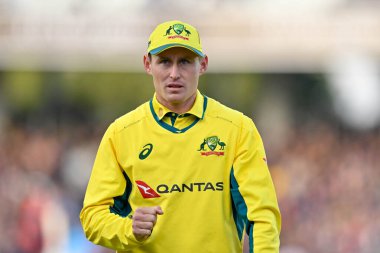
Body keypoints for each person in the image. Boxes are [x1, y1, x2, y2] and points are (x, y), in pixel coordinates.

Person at [80, 20, 281, 253]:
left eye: (184, 61)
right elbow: (93, 217)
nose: (174, 73)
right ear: (148, 64)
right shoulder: (121, 134)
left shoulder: (237, 129)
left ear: (202, 64)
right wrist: (128, 228)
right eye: (165, 61)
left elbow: (263, 216)